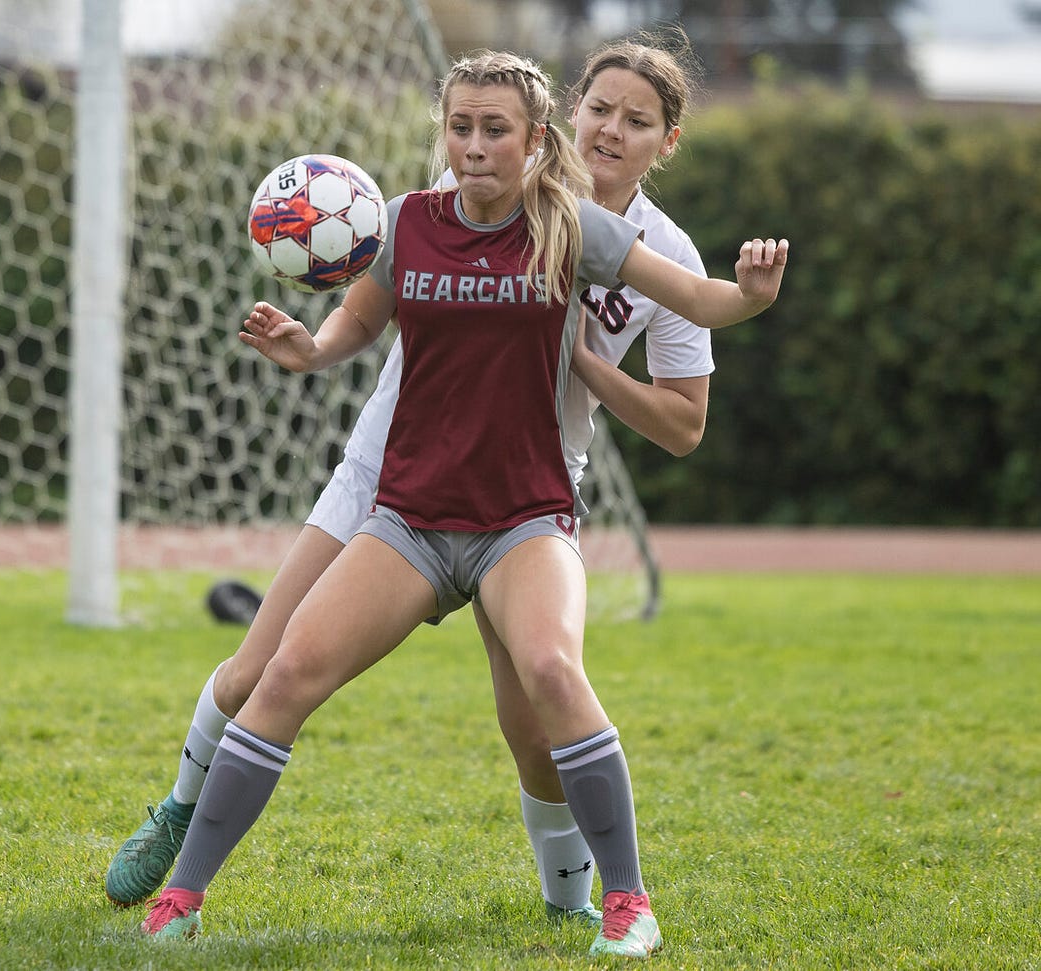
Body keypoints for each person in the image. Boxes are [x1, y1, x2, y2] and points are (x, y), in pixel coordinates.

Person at [130, 49, 786, 958]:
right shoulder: (424, 211)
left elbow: (687, 400)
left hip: (525, 497)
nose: (613, 130)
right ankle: (177, 848)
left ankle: (601, 902)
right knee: (263, 674)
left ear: (659, 142)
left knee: (538, 712)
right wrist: (312, 346)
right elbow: (362, 315)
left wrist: (708, 317)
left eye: (637, 121)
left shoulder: (601, 236)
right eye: (602, 108)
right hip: (396, 482)